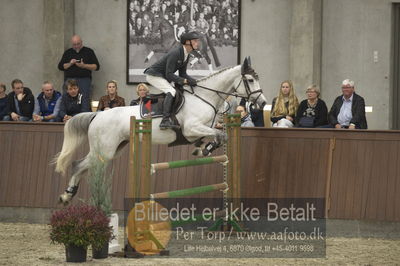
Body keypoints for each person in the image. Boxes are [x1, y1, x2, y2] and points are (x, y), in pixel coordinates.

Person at [144, 31, 200, 130]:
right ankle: (164, 120)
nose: (197, 43)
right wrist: (186, 81)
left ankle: (173, 116)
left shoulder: (186, 54)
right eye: (195, 41)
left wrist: (195, 81)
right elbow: (169, 75)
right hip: (154, 75)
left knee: (178, 91)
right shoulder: (176, 53)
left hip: (162, 76)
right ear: (187, 42)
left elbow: (183, 74)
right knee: (171, 91)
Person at [57, 35, 100, 111]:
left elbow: (96, 67)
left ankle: (83, 116)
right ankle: (67, 116)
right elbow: (61, 67)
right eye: (74, 44)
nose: (76, 46)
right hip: (70, 79)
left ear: (81, 42)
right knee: (67, 98)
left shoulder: (89, 51)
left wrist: (84, 66)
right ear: (72, 44)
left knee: (85, 98)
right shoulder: (68, 52)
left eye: (78, 44)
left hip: (84, 79)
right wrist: (70, 63)